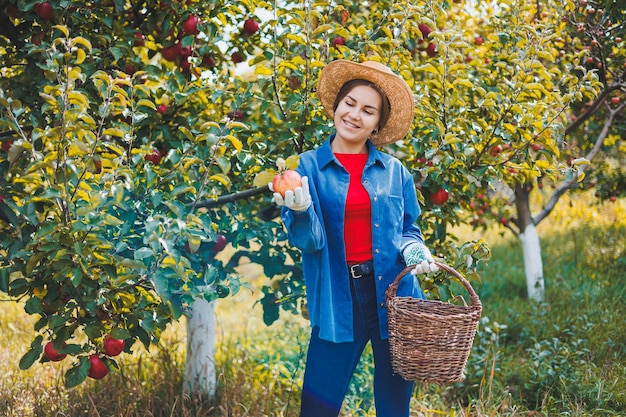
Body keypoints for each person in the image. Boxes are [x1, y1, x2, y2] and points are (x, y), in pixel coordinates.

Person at [269, 59, 438, 417]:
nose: (355, 115)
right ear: (336, 105)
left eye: (368, 110)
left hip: (396, 298)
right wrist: (300, 211)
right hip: (338, 296)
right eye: (349, 103)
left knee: (394, 408)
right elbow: (310, 242)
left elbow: (408, 229)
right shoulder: (306, 168)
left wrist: (414, 251)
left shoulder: (395, 172)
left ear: (377, 123)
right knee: (318, 406)